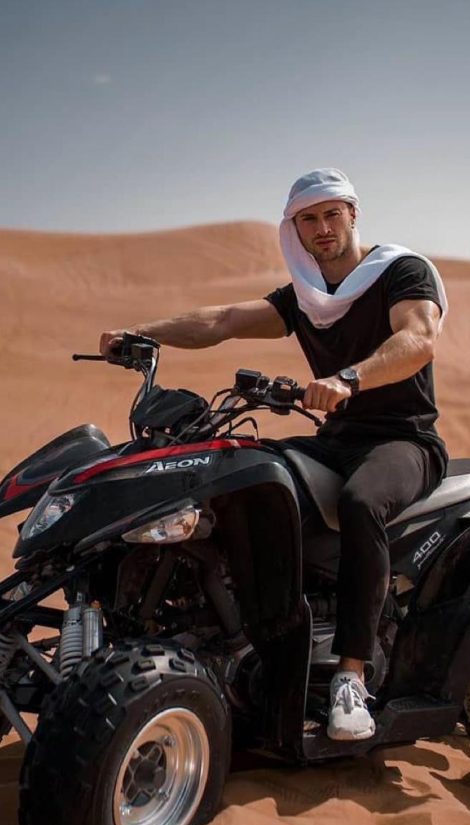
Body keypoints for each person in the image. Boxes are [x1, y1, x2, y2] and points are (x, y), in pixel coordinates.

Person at [99, 168, 449, 741]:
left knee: (362, 502)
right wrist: (142, 333)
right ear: (296, 229)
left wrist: (349, 379)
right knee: (238, 474)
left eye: (332, 214)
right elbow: (224, 321)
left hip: (403, 439)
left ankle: (351, 680)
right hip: (334, 441)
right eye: (308, 219)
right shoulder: (308, 297)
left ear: (353, 215)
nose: (322, 228)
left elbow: (417, 339)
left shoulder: (400, 273)